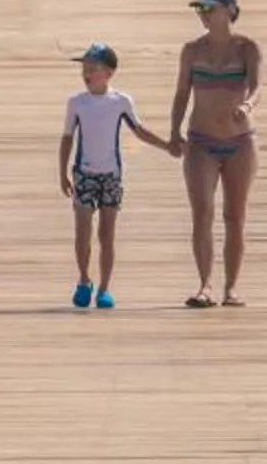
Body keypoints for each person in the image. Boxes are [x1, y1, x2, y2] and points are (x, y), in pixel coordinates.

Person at [58, 43, 178, 310]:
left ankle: (104, 288)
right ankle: (84, 279)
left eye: (93, 68)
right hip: (84, 174)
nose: (87, 73)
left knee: (107, 234)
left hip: (110, 174)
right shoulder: (77, 103)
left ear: (109, 73)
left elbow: (139, 130)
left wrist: (167, 146)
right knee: (82, 231)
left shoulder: (120, 101)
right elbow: (67, 138)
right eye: (84, 68)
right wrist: (62, 173)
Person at [167, 0, 262, 307]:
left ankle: (231, 287)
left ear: (230, 11)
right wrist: (173, 132)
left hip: (240, 141)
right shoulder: (192, 50)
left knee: (235, 216)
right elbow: (182, 93)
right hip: (201, 141)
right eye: (200, 10)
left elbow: (256, 86)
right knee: (202, 213)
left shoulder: (247, 48)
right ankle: (205, 285)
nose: (203, 15)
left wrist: (247, 106)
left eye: (210, 9)